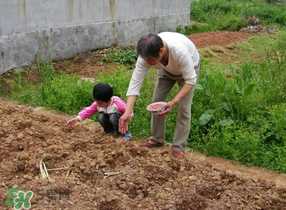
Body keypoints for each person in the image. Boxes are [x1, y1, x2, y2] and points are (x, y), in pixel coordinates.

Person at [119, 32, 200, 158]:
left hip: (188, 72)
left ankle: (178, 146)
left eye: (151, 60)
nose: (148, 63)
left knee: (184, 109)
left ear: (161, 50)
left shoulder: (180, 52)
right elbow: (135, 82)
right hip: (166, 70)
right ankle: (157, 139)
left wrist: (173, 102)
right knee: (156, 102)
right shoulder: (146, 55)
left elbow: (190, 81)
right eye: (146, 60)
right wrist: (128, 111)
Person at [67, 83, 132, 141]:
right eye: (96, 101)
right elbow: (88, 110)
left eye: (100, 103)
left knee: (113, 117)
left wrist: (126, 119)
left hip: (120, 121)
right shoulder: (98, 103)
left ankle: (125, 134)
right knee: (101, 117)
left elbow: (129, 112)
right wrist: (78, 118)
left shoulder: (117, 104)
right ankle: (110, 132)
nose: (97, 104)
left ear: (108, 100)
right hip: (108, 118)